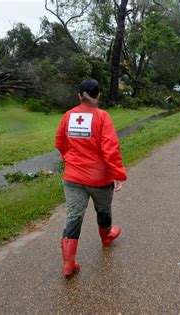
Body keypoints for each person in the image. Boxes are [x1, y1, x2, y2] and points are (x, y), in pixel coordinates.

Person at [55, 79, 127, 277]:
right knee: (103, 210)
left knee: (73, 217)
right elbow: (110, 150)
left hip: (72, 178)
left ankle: (68, 264)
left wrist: (70, 160)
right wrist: (118, 174)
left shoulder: (68, 116)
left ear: (79, 96)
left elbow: (60, 143)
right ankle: (106, 237)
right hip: (99, 180)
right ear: (98, 96)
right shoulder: (102, 117)